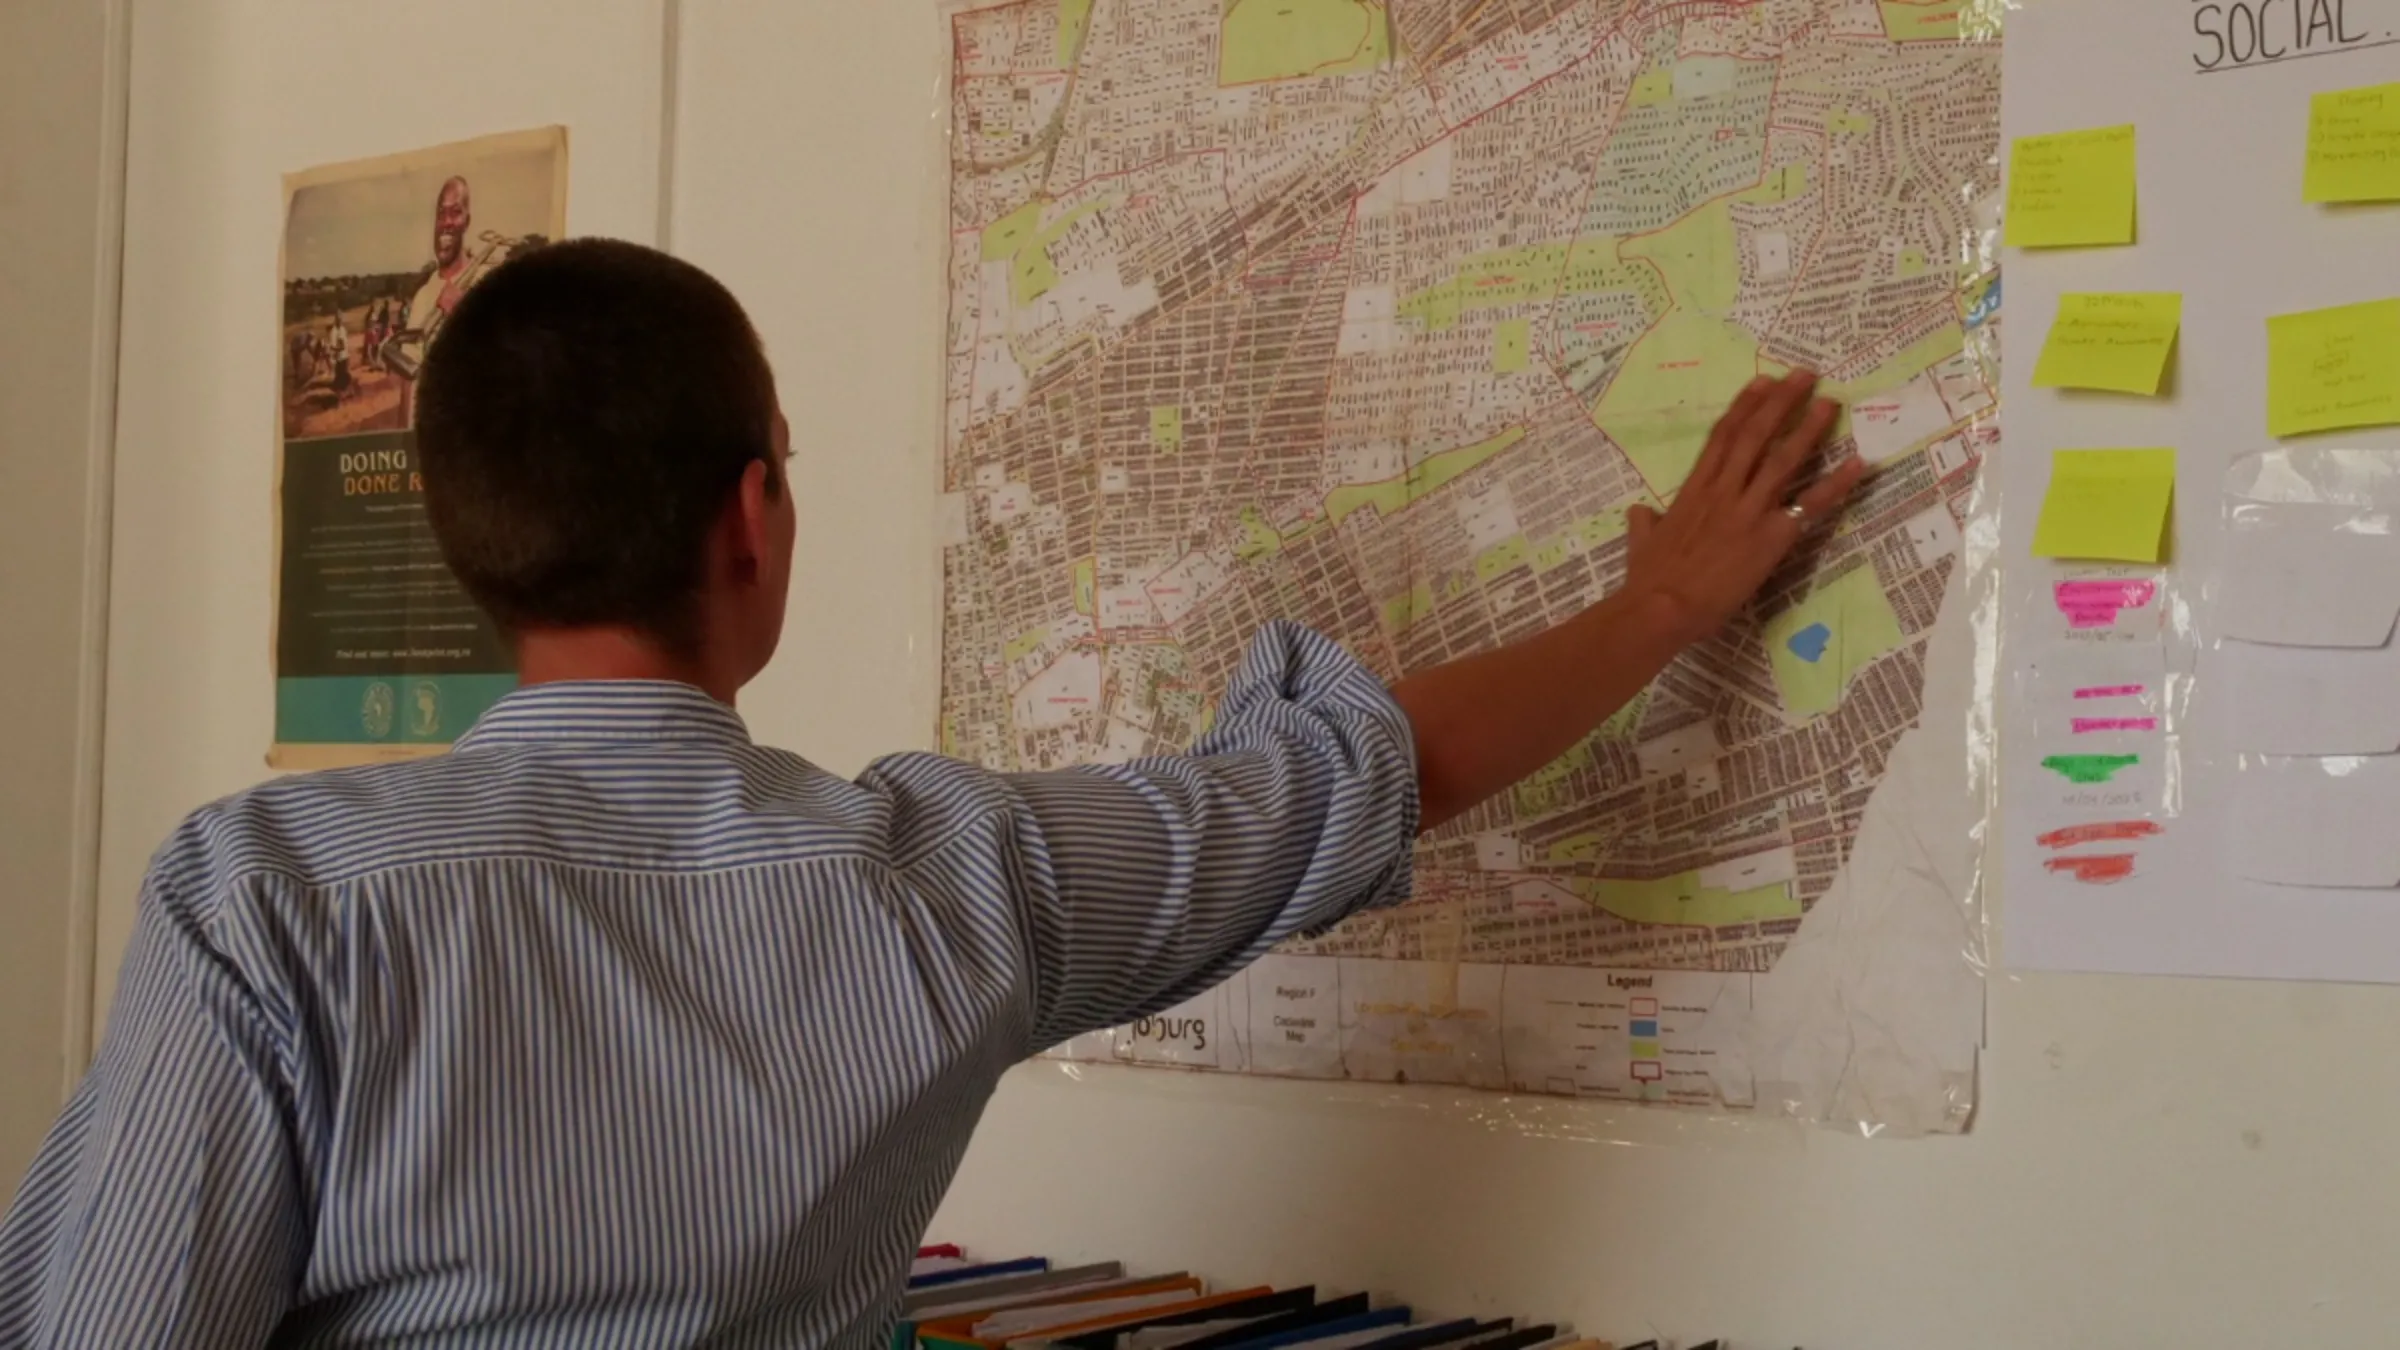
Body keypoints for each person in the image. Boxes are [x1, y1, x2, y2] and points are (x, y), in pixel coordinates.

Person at [0, 239, 1860, 1347]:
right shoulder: (945, 883)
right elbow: (1349, 779)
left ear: (471, 545)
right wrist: (1667, 601)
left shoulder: (262, 897)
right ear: (755, 517)